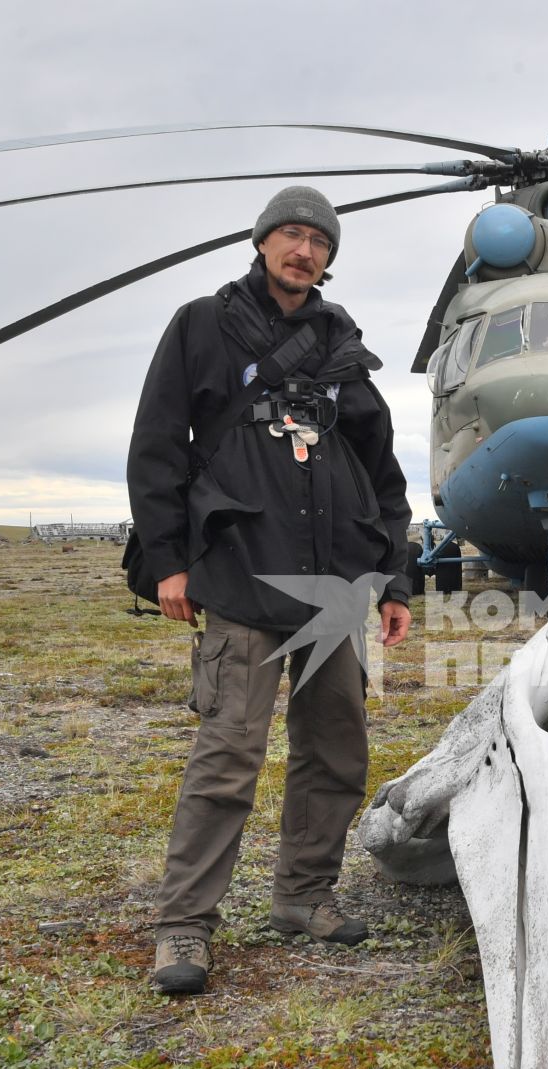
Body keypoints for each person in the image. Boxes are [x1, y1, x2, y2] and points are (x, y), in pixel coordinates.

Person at [128, 186, 413, 994]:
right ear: (261, 244)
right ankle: (185, 925)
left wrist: (394, 578)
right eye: (291, 235)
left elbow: (385, 476)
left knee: (334, 753)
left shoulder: (342, 346)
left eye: (319, 241)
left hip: (335, 591)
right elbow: (156, 448)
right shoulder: (203, 327)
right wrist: (168, 563)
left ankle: (304, 897)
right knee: (227, 757)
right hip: (242, 577)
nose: (305, 250)